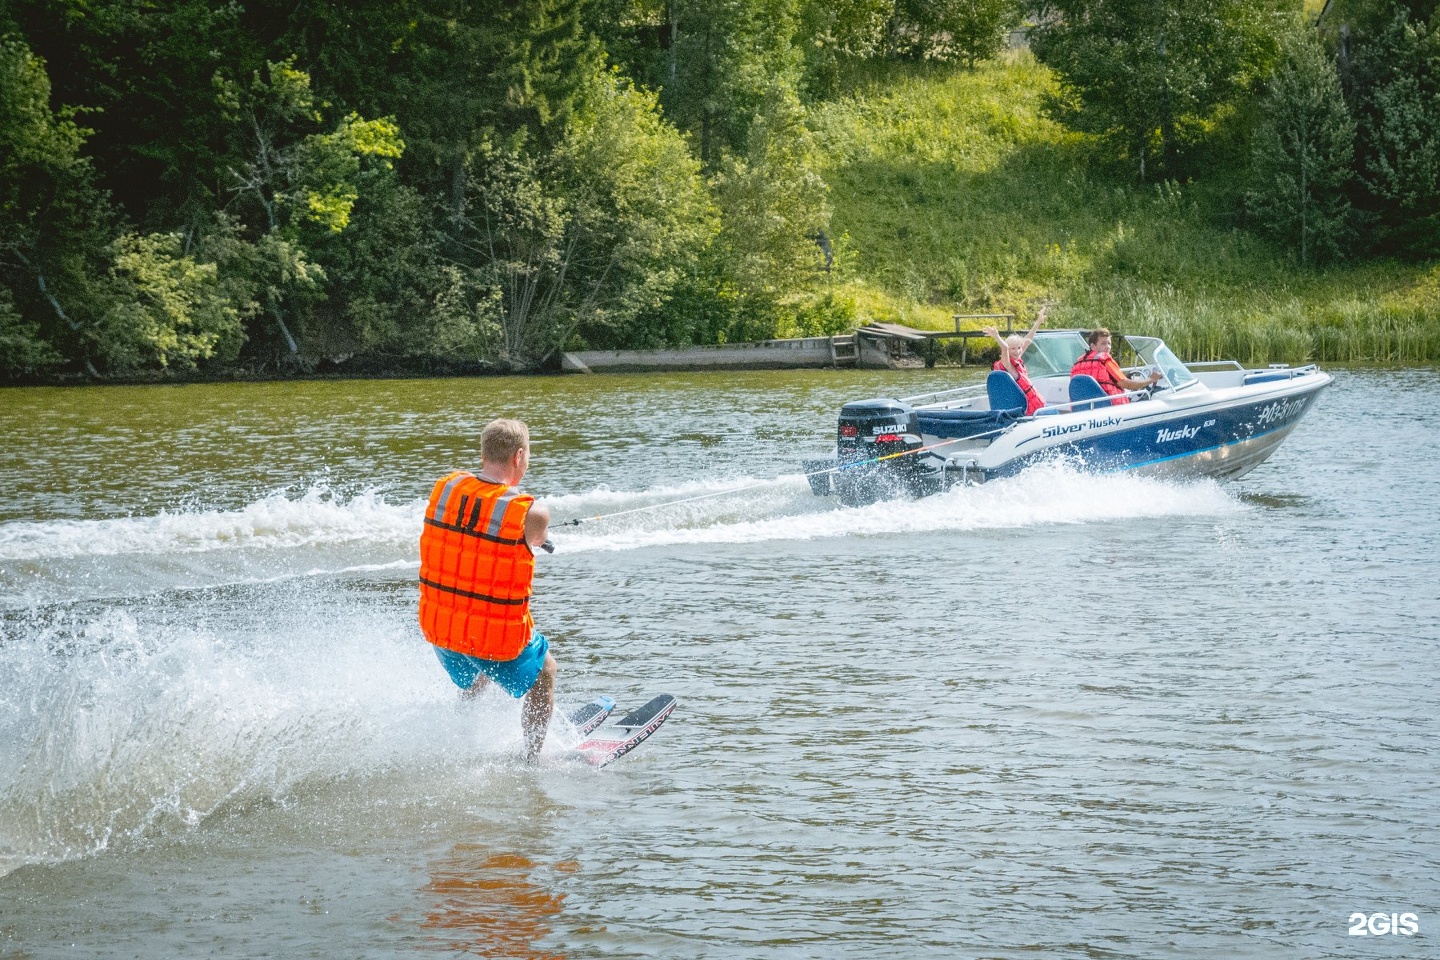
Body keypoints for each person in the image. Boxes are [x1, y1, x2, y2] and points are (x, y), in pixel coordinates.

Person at [418, 418, 557, 760]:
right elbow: (536, 538)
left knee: (479, 668)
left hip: (442, 632)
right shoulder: (531, 511)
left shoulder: (446, 487)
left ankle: (459, 730)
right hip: (494, 641)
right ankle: (532, 761)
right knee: (546, 672)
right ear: (519, 456)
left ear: (483, 454)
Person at [983, 306, 1048, 415]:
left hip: (1031, 405)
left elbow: (1028, 340)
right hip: (1029, 410)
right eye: (1013, 348)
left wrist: (1038, 323)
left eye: (1019, 348)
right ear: (1008, 350)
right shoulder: (1008, 364)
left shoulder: (1016, 359)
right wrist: (997, 336)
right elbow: (1004, 348)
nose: (1018, 352)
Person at [1069, 327, 1161, 404]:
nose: (1108, 347)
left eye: (1109, 343)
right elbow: (1127, 384)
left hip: (1085, 409)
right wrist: (1151, 379)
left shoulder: (1077, 364)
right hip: (1111, 409)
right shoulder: (1105, 360)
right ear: (1093, 346)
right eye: (1103, 343)